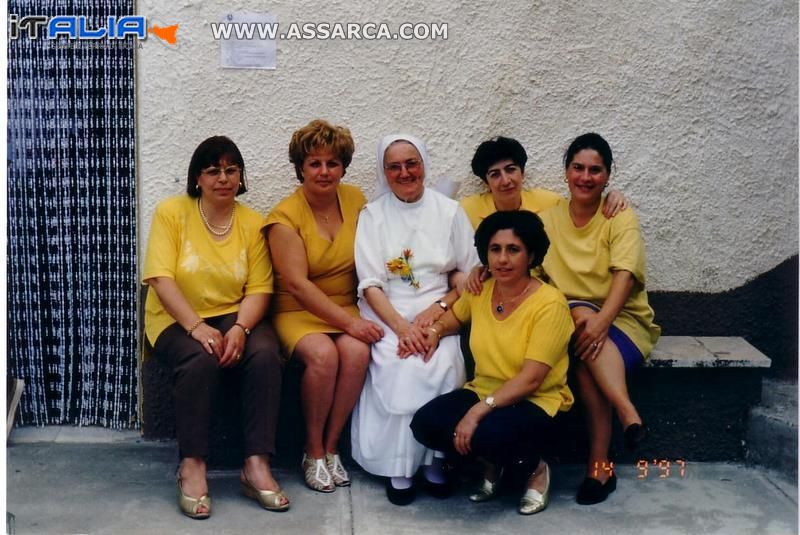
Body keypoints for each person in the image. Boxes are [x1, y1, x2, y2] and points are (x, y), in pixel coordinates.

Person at [143, 136, 287, 519]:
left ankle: (256, 464)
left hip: (234, 313)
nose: (223, 178)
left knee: (265, 354)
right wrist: (195, 326)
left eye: (231, 170)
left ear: (240, 176)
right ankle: (192, 465)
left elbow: (260, 288)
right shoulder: (171, 212)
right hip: (175, 316)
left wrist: (241, 328)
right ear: (197, 178)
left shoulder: (253, 222)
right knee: (200, 359)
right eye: (212, 171)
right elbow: (159, 278)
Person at [410, 210, 574, 515]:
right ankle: (492, 464)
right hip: (484, 389)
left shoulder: (550, 304)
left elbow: (532, 379)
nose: (502, 259)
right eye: (495, 249)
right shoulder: (482, 289)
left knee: (486, 432)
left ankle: (536, 471)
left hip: (535, 400)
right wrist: (435, 330)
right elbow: (456, 316)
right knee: (426, 423)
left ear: (531, 255)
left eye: (513, 250)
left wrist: (476, 412)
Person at [351, 134, 479, 505]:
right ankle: (399, 467)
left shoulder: (449, 211)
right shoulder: (373, 215)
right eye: (394, 167)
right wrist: (403, 328)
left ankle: (435, 461)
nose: (405, 172)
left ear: (423, 164)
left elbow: (470, 274)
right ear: (384, 172)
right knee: (399, 363)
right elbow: (370, 283)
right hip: (387, 310)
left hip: (438, 308)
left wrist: (439, 309)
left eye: (412, 163)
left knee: (443, 360)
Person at [538, 132, 660, 505]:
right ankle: (622, 420)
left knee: (585, 354)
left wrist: (603, 320)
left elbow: (625, 275)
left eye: (595, 170)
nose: (586, 177)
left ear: (607, 176)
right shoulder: (547, 219)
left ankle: (601, 464)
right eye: (578, 168)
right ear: (566, 172)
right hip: (575, 320)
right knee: (579, 317)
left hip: (623, 319)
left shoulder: (618, 215)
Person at [264, 119, 383, 493]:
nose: (324, 171)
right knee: (323, 355)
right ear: (300, 168)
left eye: (332, 163)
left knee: (358, 352)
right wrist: (350, 324)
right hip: (297, 310)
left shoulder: (355, 200)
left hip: (344, 302)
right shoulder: (284, 217)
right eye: (314, 163)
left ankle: (332, 447)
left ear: (343, 167)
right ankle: (312, 450)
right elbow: (297, 286)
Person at [460, 136, 627, 231]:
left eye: (511, 170)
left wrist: (612, 195)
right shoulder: (466, 210)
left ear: (522, 173)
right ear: (486, 183)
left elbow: (581, 205)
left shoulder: (549, 203)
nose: (505, 181)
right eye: (495, 174)